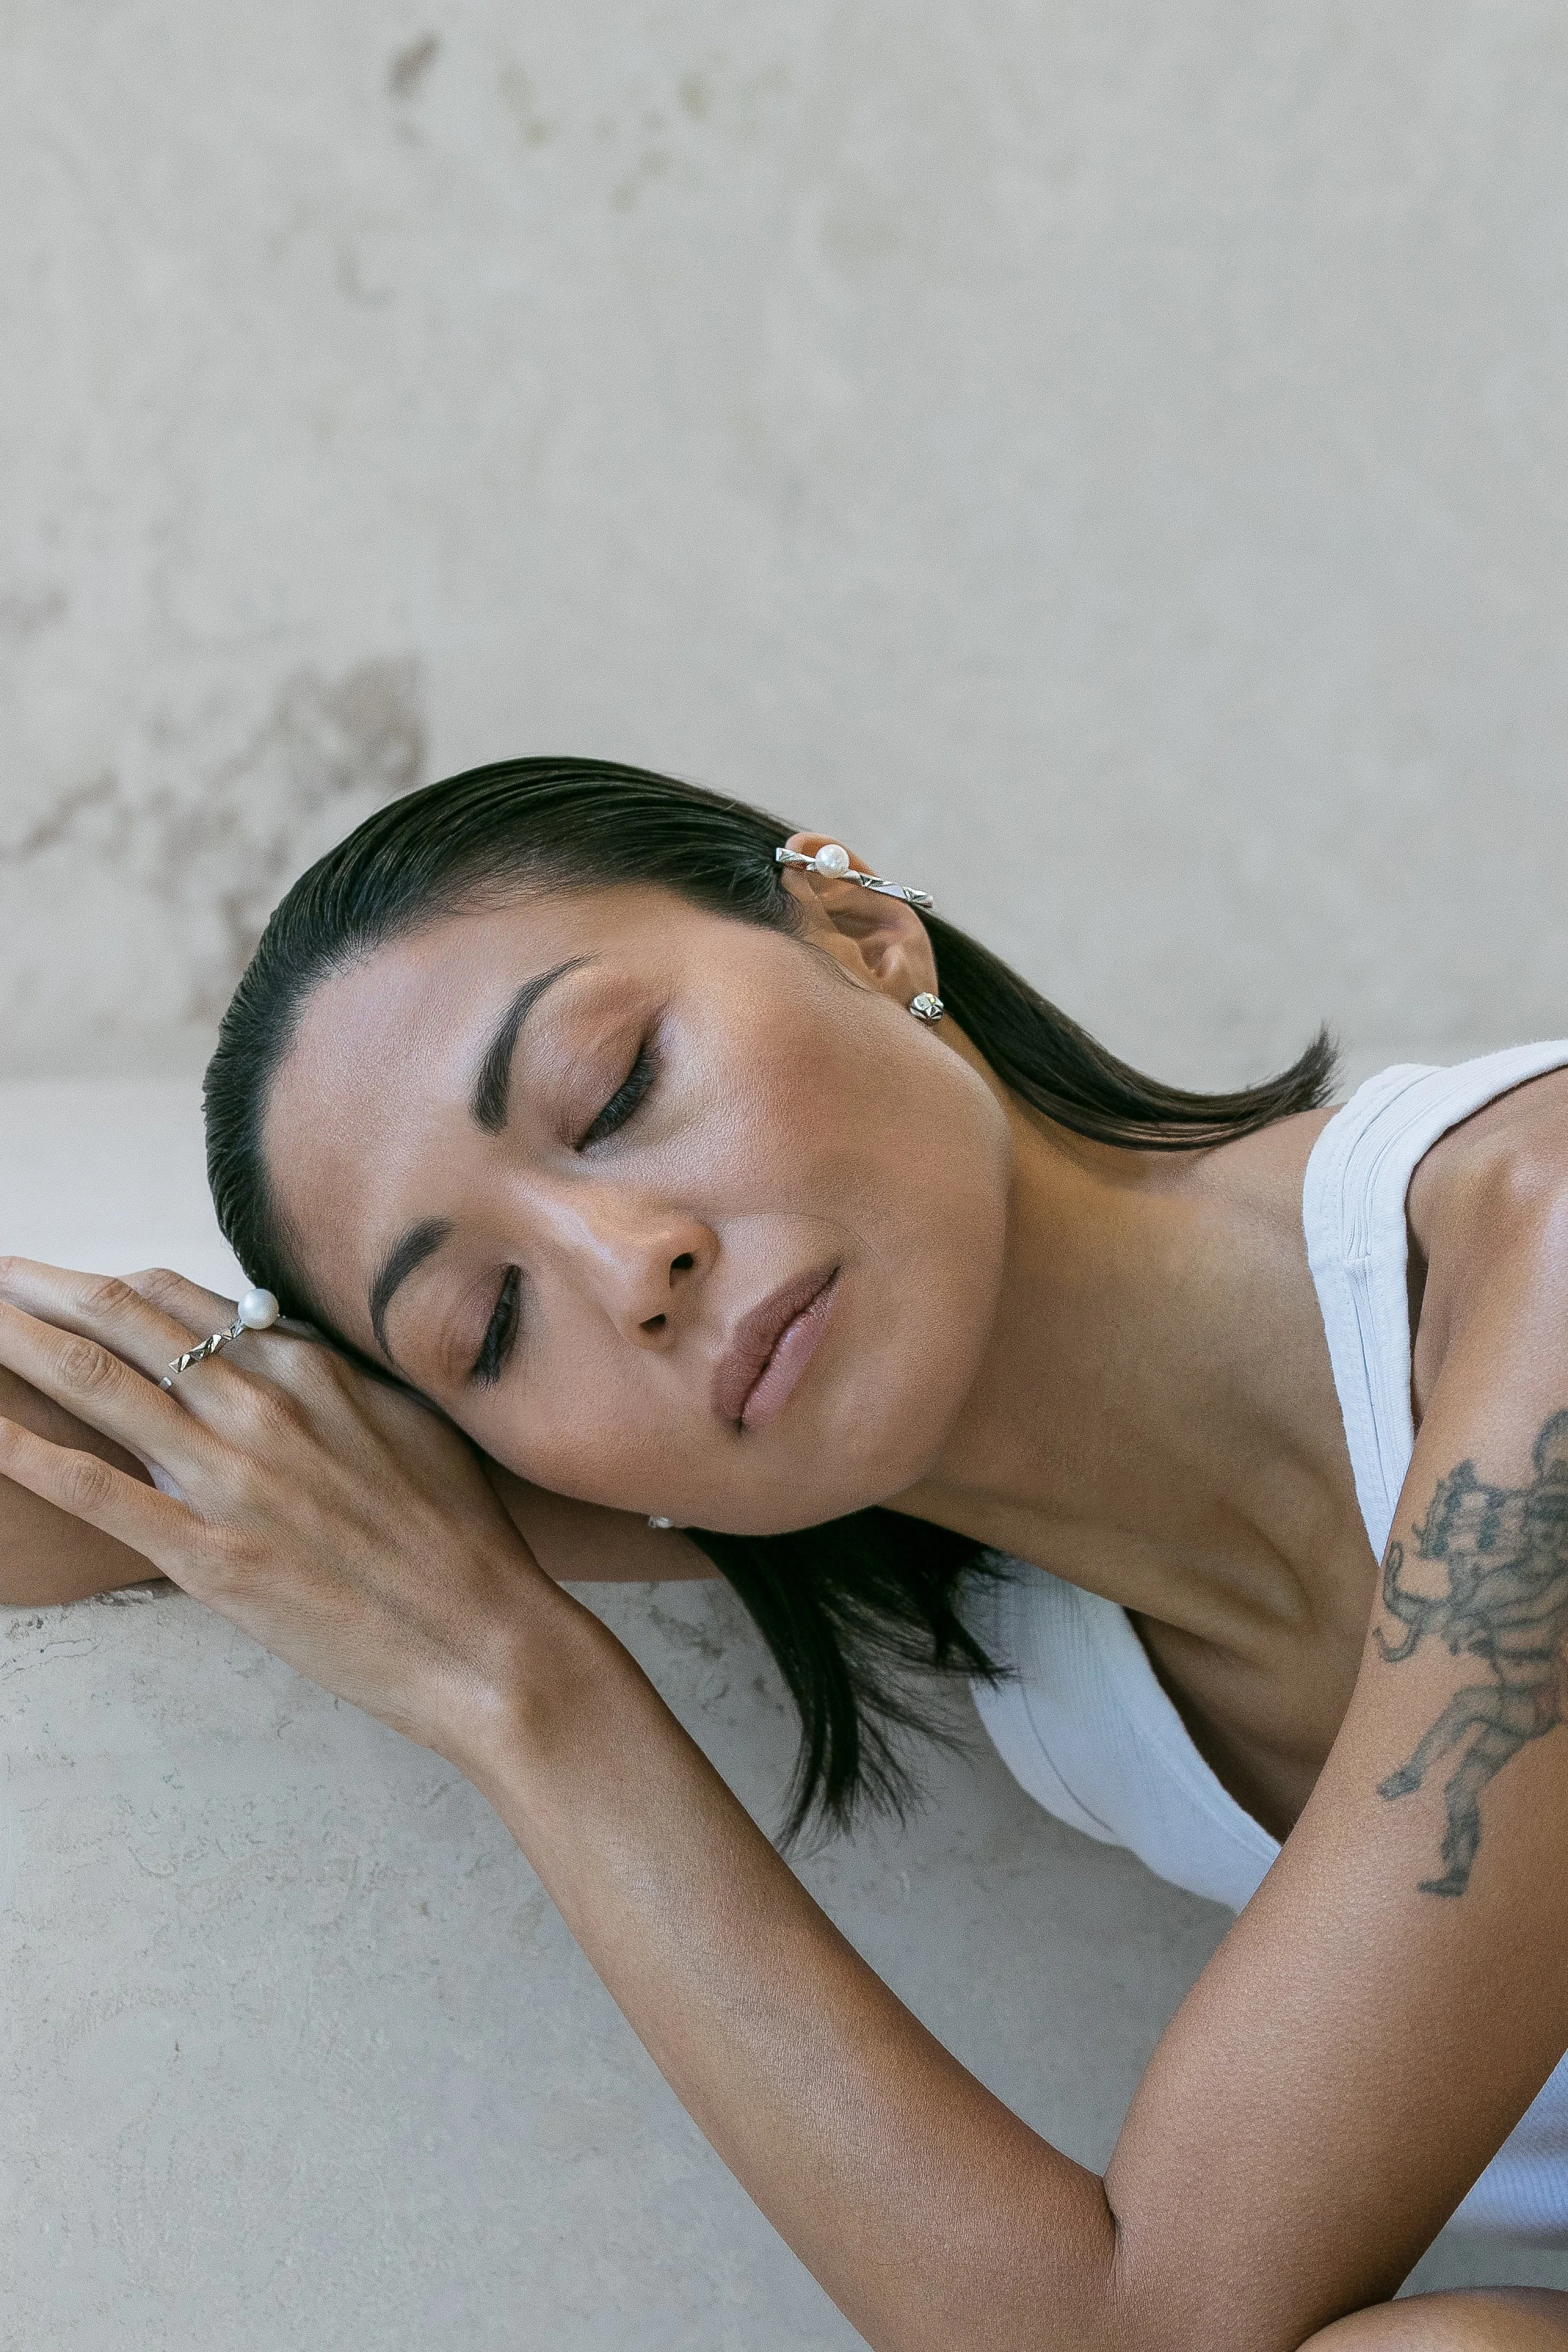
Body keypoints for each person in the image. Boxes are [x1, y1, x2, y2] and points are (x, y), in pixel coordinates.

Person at [2, 756, 1567, 2351]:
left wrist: (521, 1687)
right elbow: (57, 1479)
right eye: (490, 1321)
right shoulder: (881, 1498)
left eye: (612, 1095)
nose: (630, 1270)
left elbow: (1142, 2332)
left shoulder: (1541, 1253)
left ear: (860, 929)